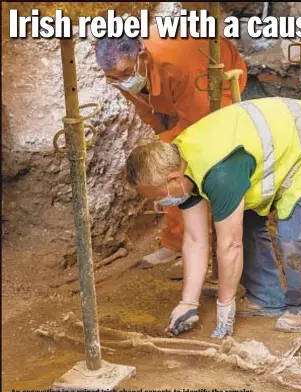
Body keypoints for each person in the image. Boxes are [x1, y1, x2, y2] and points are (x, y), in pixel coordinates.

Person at [125, 97, 301, 337]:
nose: (157, 203)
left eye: (157, 196)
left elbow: (230, 246)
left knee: (294, 234)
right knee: (242, 225)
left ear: (172, 179)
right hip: (273, 149)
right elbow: (195, 239)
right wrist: (188, 303)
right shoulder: (181, 166)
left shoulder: (220, 173)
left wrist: (225, 307)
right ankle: (267, 298)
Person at [95, 29, 247, 268]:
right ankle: (176, 243)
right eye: (114, 78)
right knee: (165, 164)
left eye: (125, 74)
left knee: (191, 163)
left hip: (209, 86)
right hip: (169, 95)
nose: (122, 82)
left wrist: (167, 142)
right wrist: (161, 137)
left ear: (142, 57)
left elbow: (198, 124)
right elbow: (145, 108)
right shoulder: (122, 73)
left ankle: (205, 244)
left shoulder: (179, 65)